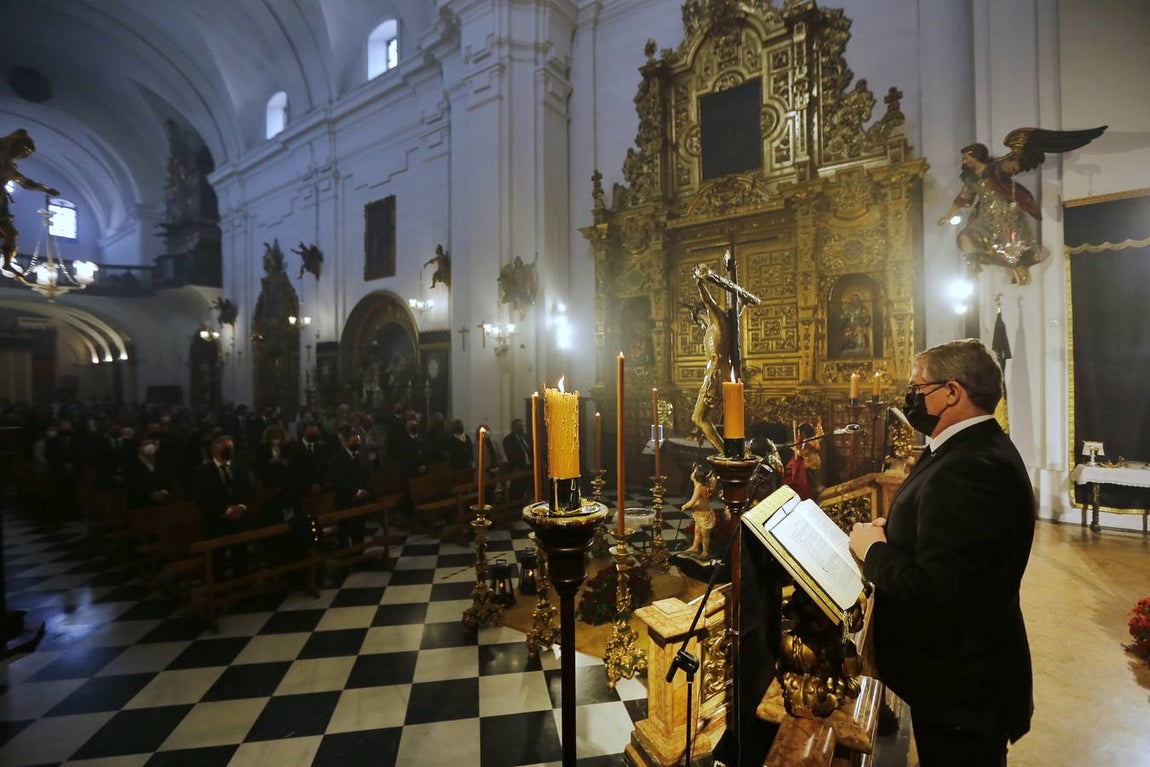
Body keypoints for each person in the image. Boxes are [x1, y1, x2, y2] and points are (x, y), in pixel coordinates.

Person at [848, 339, 1035, 767]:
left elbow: (939, 594)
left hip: (962, 689)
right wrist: (896, 534)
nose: (910, 398)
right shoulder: (971, 448)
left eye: (918, 388)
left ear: (952, 392)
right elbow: (959, 552)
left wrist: (875, 552)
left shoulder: (969, 469)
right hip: (962, 681)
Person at [0, 129, 59, 277]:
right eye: (24, 150)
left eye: (26, 153)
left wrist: (46, 189)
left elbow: (27, 183)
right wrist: (16, 135)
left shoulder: (11, 168)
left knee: (12, 233)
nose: (24, 154)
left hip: (1, 202)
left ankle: (7, 263)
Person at [689, 263, 731, 453]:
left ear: (702, 314)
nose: (700, 325)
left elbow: (708, 302)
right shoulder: (721, 326)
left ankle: (726, 453)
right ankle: (726, 452)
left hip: (714, 373)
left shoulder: (717, 321)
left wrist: (700, 283)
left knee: (698, 418)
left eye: (699, 320)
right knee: (701, 418)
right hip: (716, 371)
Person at [682, 464, 722, 559]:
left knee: (705, 535)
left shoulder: (699, 488)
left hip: (704, 516)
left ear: (695, 477)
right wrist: (697, 468)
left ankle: (705, 551)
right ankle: (695, 547)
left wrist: (685, 506)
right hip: (698, 515)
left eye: (693, 473)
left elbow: (692, 502)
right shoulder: (700, 485)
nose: (692, 474)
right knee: (697, 532)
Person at [501, 418, 533, 500]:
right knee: (517, 491)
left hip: (529, 467)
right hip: (518, 468)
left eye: (522, 426)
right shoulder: (508, 440)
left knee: (529, 489)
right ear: (513, 427)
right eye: (519, 426)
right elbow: (511, 455)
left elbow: (530, 450)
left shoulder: (526, 437)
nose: (521, 428)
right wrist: (517, 466)